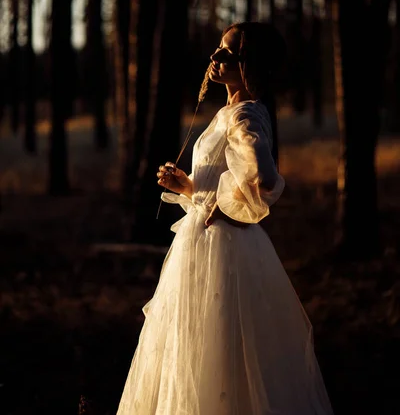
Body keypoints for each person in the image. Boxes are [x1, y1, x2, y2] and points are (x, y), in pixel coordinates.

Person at [117, 22, 334, 415]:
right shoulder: (229, 112)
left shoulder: (245, 116)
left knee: (220, 350)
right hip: (207, 246)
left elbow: (264, 179)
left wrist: (229, 201)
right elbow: (226, 180)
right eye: (218, 47)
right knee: (202, 349)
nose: (216, 57)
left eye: (229, 53)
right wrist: (189, 188)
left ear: (251, 65)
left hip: (224, 253)